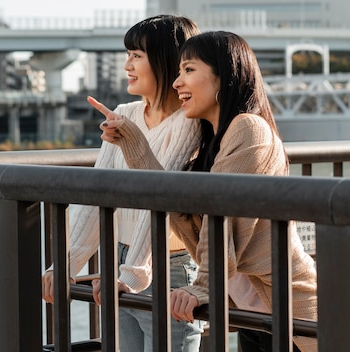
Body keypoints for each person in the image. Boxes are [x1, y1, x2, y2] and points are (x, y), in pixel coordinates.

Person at [92, 31, 318, 352]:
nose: (176, 82)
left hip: (288, 311)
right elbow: (172, 200)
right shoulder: (213, 140)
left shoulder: (248, 127)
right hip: (252, 312)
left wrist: (201, 287)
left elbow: (218, 214)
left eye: (189, 70)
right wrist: (132, 140)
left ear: (223, 75)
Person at [42, 15, 204, 351]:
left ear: (166, 61)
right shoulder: (125, 114)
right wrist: (67, 262)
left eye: (136, 55)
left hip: (169, 268)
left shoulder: (190, 122)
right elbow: (98, 195)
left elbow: (159, 200)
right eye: (127, 54)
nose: (127, 64)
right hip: (119, 262)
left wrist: (131, 275)